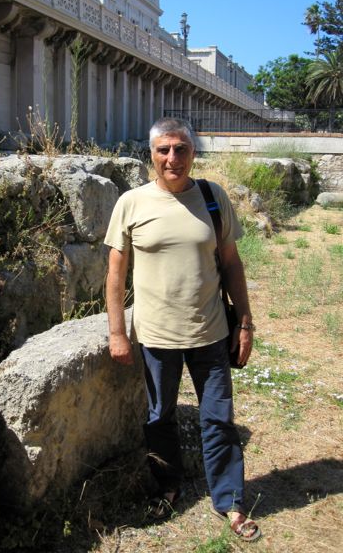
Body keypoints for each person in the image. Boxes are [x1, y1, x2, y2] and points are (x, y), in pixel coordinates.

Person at [104, 117, 261, 541]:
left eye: (181, 149)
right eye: (164, 150)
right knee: (160, 417)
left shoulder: (212, 197)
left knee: (219, 420)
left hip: (210, 333)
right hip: (155, 337)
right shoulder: (131, 203)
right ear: (151, 154)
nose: (173, 158)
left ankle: (230, 502)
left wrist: (244, 322)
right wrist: (118, 333)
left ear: (193, 152)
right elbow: (115, 275)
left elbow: (231, 263)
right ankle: (168, 488)